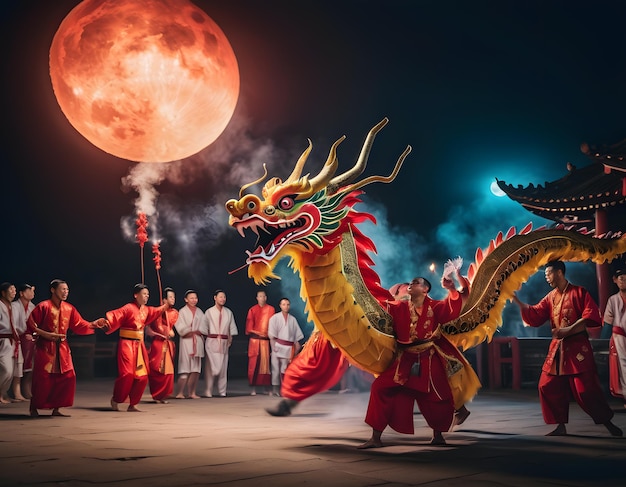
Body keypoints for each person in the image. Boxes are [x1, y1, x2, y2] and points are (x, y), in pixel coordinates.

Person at [359, 271, 480, 448]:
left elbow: (452, 309)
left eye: (416, 282)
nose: (410, 284)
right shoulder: (398, 307)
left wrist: (451, 288)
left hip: (429, 357)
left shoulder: (436, 307)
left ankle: (438, 435)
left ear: (425, 289)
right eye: (411, 283)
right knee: (379, 387)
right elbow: (378, 308)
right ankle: (375, 437)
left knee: (438, 396)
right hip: (404, 359)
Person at [512, 260, 622, 437]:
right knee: (547, 386)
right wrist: (517, 300)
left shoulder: (579, 292)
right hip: (557, 348)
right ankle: (560, 425)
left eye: (549, 273)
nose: (547, 277)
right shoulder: (550, 297)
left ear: (560, 272)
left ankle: (607, 423)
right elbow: (535, 314)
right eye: (546, 274)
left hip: (577, 347)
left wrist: (567, 330)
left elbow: (589, 317)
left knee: (586, 390)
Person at [26, 279, 107, 417]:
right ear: (53, 290)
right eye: (63, 289)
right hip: (45, 347)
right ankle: (35, 407)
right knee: (43, 378)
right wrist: (47, 334)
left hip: (62, 347)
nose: (65, 292)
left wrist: (94, 324)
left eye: (67, 290)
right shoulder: (43, 306)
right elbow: (31, 325)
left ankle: (56, 408)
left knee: (67, 376)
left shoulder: (69, 308)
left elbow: (80, 324)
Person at [105, 283, 168, 412]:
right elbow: (115, 315)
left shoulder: (146, 310)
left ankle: (133, 404)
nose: (146, 297)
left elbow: (155, 311)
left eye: (148, 295)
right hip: (127, 344)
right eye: (144, 294)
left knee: (142, 376)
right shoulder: (128, 308)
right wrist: (107, 322)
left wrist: (164, 306)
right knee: (127, 374)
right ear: (136, 295)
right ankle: (117, 399)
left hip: (139, 346)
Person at [201, 289, 238, 397]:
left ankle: (222, 391)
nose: (223, 299)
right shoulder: (209, 312)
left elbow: (231, 328)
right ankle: (208, 390)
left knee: (223, 368)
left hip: (224, 342)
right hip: (212, 341)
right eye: (220, 297)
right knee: (210, 367)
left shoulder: (228, 312)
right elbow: (204, 328)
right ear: (215, 298)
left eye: (224, 297)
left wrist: (230, 339)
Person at [146, 287, 178, 404]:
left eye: (174, 297)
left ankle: (163, 395)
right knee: (156, 369)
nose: (173, 299)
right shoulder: (155, 311)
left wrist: (166, 330)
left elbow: (169, 326)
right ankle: (156, 395)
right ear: (164, 299)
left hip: (167, 343)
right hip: (158, 343)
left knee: (168, 371)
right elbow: (151, 328)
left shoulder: (174, 313)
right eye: (170, 297)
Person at [268, 298, 304, 396]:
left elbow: (297, 337)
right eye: (284, 304)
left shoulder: (293, 319)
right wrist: (273, 348)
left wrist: (296, 348)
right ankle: (275, 388)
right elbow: (272, 336)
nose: (286, 306)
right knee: (275, 368)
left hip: (288, 348)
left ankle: (285, 389)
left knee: (284, 369)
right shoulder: (274, 318)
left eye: (288, 304)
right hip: (277, 346)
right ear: (280, 305)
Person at [173, 290, 206, 399]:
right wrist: (190, 331)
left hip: (198, 341)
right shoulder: (182, 312)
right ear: (186, 299)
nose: (194, 300)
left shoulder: (200, 312)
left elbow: (205, 327)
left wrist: (198, 331)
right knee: (185, 368)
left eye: (195, 298)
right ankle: (180, 392)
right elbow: (180, 327)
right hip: (187, 342)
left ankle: (192, 393)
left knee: (196, 369)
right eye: (191, 298)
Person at [603, 268, 626, 407]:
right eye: (620, 277)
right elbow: (608, 322)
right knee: (623, 366)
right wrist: (602, 339)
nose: (623, 279)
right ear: (615, 280)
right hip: (619, 336)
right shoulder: (613, 299)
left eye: (625, 276)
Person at [245, 289, 275, 395]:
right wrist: (259, 332)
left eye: (263, 296)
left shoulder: (271, 310)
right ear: (257, 298)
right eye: (260, 296)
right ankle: (253, 388)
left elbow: (273, 326)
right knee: (253, 365)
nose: (262, 298)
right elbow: (249, 328)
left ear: (266, 297)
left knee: (265, 366)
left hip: (265, 342)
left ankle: (267, 388)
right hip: (254, 341)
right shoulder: (252, 310)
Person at [11, 284, 36, 401]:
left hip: (30, 339)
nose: (32, 293)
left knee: (30, 364)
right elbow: (14, 325)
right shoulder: (15, 306)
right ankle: (16, 391)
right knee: (18, 365)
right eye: (30, 291)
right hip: (18, 338)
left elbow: (35, 324)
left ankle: (27, 389)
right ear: (21, 293)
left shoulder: (32, 306)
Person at [0, 282, 19, 404]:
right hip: (2, 340)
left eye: (15, 289)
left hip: (11, 341)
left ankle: (3, 393)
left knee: (11, 371)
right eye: (11, 289)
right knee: (6, 369)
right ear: (3, 292)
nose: (14, 292)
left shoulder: (11, 306)